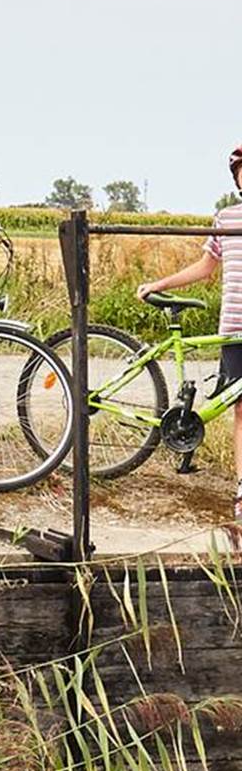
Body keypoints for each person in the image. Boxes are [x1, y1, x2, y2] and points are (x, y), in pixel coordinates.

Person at [137, 144, 242, 519]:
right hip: (234, 326)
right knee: (241, 410)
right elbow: (205, 268)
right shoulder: (225, 218)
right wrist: (160, 284)